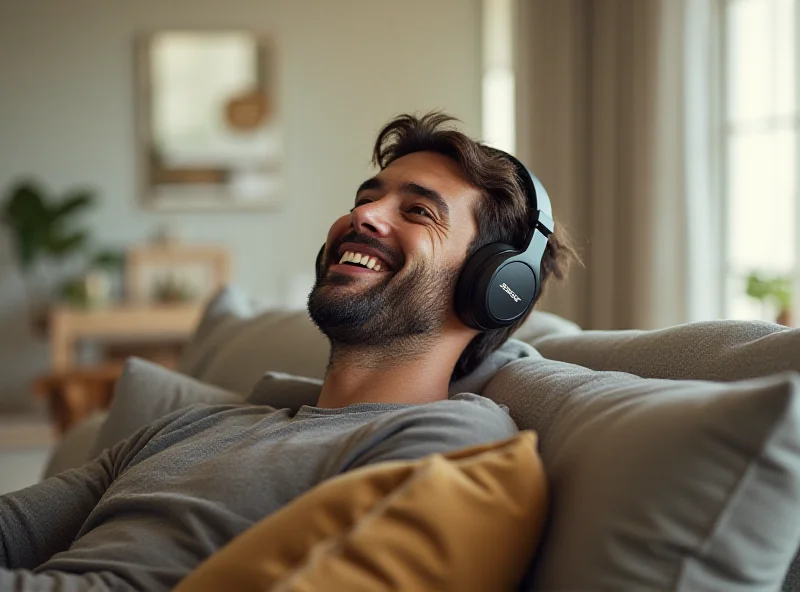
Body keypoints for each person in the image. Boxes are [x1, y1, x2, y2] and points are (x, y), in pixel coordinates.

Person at [0, 112, 576, 591]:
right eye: (367, 199)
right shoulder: (196, 424)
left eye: (418, 211)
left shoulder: (452, 444)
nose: (363, 216)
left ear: (496, 286)